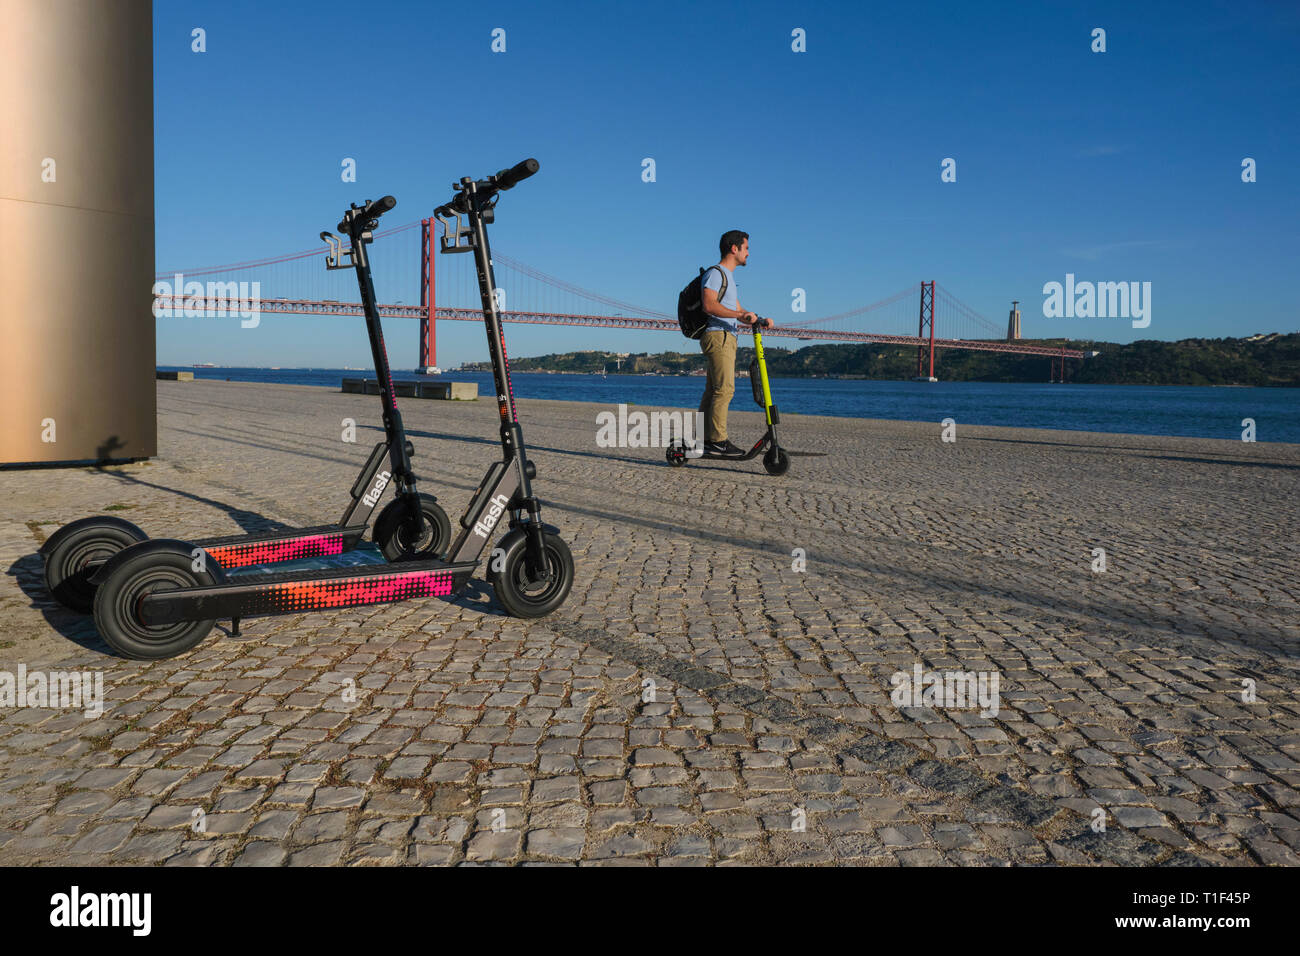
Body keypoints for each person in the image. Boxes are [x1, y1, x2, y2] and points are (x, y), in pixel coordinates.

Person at [699, 230, 773, 455]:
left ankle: (703, 438)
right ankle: (718, 441)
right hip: (719, 335)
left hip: (725, 336)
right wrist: (740, 315)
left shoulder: (727, 277)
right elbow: (709, 305)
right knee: (725, 389)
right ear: (734, 248)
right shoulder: (716, 273)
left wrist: (758, 319)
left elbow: (738, 310)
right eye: (746, 248)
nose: (748, 253)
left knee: (713, 391)